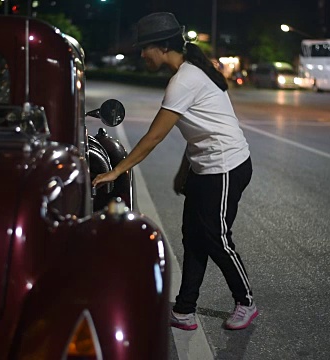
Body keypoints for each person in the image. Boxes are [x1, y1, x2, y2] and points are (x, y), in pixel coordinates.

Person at [92, 12, 257, 331]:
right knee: (194, 238)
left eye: (145, 48)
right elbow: (199, 128)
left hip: (225, 166)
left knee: (216, 237)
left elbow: (154, 136)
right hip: (203, 166)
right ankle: (184, 310)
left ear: (163, 47)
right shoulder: (191, 73)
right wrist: (186, 170)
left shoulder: (185, 80)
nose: (142, 55)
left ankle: (246, 301)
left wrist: (116, 172)